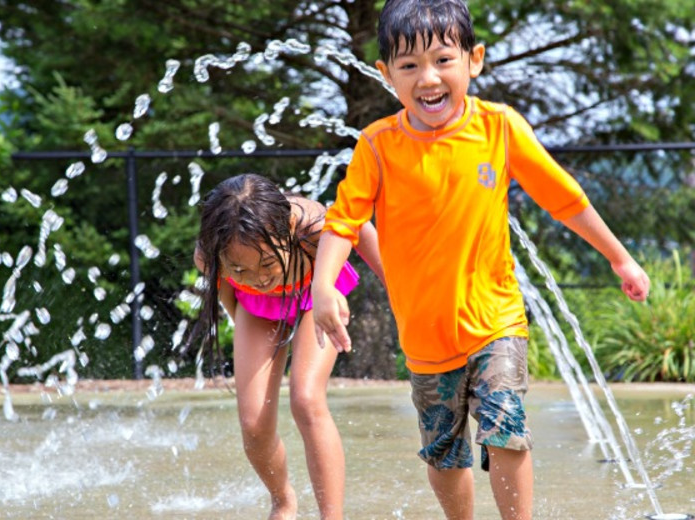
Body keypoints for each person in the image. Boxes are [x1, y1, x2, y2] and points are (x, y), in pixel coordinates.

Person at [310, 1, 650, 519]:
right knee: (444, 454)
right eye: (409, 66)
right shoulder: (379, 147)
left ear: (475, 60)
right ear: (385, 74)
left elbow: (564, 198)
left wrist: (620, 259)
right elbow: (343, 221)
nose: (429, 78)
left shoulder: (499, 128)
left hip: (496, 321)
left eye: (444, 59)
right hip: (425, 337)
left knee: (505, 429)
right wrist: (323, 286)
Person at [193, 173, 383, 520]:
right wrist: (245, 318)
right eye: (241, 268)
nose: (260, 275)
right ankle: (282, 500)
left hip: (318, 294)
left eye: (267, 262)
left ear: (287, 233)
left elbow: (359, 228)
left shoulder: (311, 225)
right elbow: (226, 292)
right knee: (253, 424)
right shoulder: (210, 256)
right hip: (258, 307)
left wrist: (398, 290)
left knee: (306, 399)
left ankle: (332, 516)